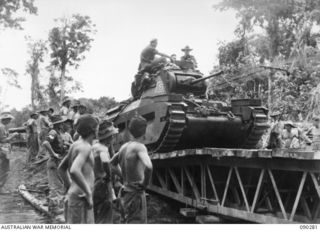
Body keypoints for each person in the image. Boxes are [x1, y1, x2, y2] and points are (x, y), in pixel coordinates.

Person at [110, 116, 153, 224]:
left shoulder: (124, 147)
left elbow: (112, 164)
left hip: (125, 191)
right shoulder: (140, 147)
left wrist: (122, 176)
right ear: (144, 131)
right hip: (136, 193)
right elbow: (149, 166)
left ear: (130, 131)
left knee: (125, 221)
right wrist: (144, 184)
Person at [58, 115, 99, 224]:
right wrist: (88, 193)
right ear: (93, 129)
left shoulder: (75, 145)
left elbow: (61, 168)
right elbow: (74, 170)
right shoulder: (85, 147)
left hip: (75, 196)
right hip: (82, 199)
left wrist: (69, 186)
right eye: (97, 127)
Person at [42, 115, 73, 215]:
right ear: (59, 124)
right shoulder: (53, 132)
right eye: (62, 122)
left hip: (58, 161)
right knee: (55, 185)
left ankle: (54, 204)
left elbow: (59, 145)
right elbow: (46, 143)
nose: (63, 124)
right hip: (54, 161)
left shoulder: (58, 133)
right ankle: (53, 207)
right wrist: (53, 154)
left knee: (59, 184)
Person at [92, 120, 119, 223]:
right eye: (112, 136)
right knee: (106, 211)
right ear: (110, 137)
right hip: (103, 183)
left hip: (94, 182)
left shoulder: (94, 146)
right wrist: (108, 175)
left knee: (96, 210)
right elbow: (105, 162)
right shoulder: (103, 149)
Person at [0, 112, 19, 194]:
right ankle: (1, 187)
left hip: (3, 149)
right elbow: (3, 140)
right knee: (5, 169)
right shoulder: (1, 127)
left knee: (3, 168)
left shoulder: (2, 127)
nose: (10, 121)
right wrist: (13, 135)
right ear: (5, 120)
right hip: (3, 149)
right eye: (9, 119)